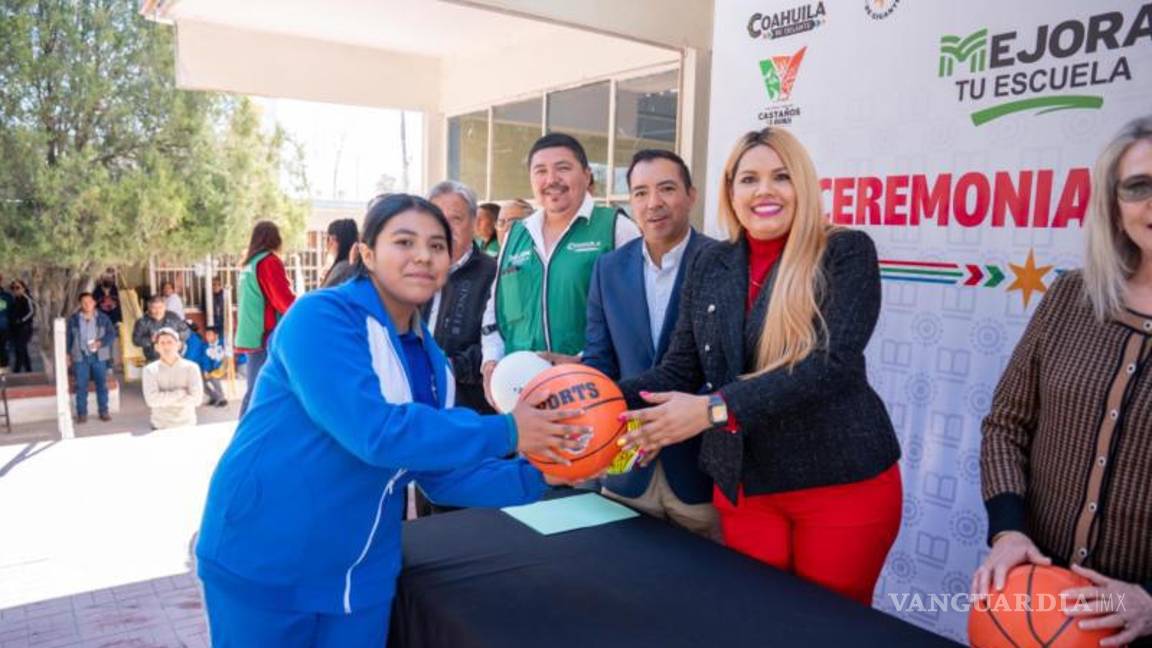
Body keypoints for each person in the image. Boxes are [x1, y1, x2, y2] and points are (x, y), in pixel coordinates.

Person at [195, 194, 589, 647]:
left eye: (437, 245)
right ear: (366, 254)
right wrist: (510, 429)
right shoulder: (320, 318)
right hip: (265, 560)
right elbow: (374, 433)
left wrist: (552, 468)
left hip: (361, 572)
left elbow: (444, 477)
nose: (423, 255)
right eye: (404, 241)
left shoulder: (432, 362)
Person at [616, 127, 902, 606]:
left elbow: (828, 364)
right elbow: (677, 370)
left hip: (841, 485)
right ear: (730, 191)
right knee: (759, 620)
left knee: (828, 630)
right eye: (748, 179)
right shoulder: (712, 264)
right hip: (745, 487)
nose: (764, 191)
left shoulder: (846, 252)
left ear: (804, 186)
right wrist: (596, 398)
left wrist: (712, 409)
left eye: (781, 177)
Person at [974, 116, 1152, 648]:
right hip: (1033, 604)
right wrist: (1007, 531)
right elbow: (1006, 424)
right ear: (1115, 209)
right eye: (1139, 187)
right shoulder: (1072, 298)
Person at [583, 150, 717, 538]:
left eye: (667, 189)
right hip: (626, 470)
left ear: (691, 195)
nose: (653, 203)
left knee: (707, 590)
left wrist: (674, 422)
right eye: (640, 193)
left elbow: (733, 367)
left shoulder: (723, 262)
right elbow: (599, 360)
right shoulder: (607, 269)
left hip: (700, 472)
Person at [480, 133, 641, 400]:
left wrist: (586, 361)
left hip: (591, 391)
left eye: (563, 168)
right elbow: (495, 312)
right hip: (523, 393)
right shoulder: (515, 235)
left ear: (587, 175)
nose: (551, 179)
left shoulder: (616, 227)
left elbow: (637, 319)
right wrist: (491, 363)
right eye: (540, 171)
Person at [426, 181, 497, 414]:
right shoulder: (412, 272)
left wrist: (445, 368)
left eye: (455, 219)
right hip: (414, 409)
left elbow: (500, 341)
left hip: (469, 413)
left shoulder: (494, 273)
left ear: (476, 224)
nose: (444, 228)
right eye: (437, 219)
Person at [235, 220, 296, 416]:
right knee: (258, 392)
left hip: (250, 334)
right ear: (275, 238)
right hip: (265, 335)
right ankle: (243, 439)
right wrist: (305, 307)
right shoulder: (268, 262)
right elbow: (283, 300)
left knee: (257, 389)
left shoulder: (249, 264)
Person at [66, 292, 117, 423]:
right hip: (80, 357)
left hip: (98, 357)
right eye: (84, 302)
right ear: (80, 304)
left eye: (89, 301)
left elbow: (112, 334)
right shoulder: (74, 319)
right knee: (81, 386)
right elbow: (68, 338)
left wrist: (101, 342)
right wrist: (67, 354)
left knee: (101, 384)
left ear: (94, 303)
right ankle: (82, 414)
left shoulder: (103, 318)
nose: (87, 304)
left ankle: (104, 411)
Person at [142, 327, 204, 430]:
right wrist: (180, 393)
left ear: (178, 345)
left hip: (187, 423)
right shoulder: (150, 370)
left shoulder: (192, 368)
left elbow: (197, 399)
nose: (166, 346)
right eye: (162, 343)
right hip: (160, 425)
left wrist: (163, 401)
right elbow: (152, 401)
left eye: (170, 342)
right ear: (156, 347)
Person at [132, 295, 190, 362]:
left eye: (160, 307)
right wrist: (150, 340)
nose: (158, 311)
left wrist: (175, 336)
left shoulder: (173, 317)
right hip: (154, 359)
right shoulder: (142, 321)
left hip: (175, 356)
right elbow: (136, 340)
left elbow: (186, 331)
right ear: (149, 308)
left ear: (165, 307)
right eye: (154, 308)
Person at [187, 326, 229, 407]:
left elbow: (223, 358)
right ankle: (213, 397)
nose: (207, 337)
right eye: (206, 335)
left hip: (220, 369)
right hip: (207, 369)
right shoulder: (205, 346)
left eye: (210, 334)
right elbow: (204, 359)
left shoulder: (222, 344)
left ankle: (222, 399)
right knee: (202, 384)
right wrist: (205, 370)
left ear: (216, 336)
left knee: (214, 381)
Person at [321, 218, 359, 288]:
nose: (328, 244)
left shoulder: (342, 269)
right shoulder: (358, 269)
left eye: (328, 238)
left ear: (333, 239)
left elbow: (323, 297)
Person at [8, 280, 37, 373]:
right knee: (22, 349)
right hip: (16, 329)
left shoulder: (27, 299)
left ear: (23, 288)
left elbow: (32, 312)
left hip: (25, 328)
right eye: (13, 288)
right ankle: (29, 370)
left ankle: (17, 370)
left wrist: (21, 321)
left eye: (18, 287)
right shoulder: (14, 300)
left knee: (20, 348)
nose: (15, 290)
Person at [0, 275, 12, 372]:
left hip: (4, 328)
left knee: (3, 351)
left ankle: (3, 375)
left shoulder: (6, 296)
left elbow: (11, 311)